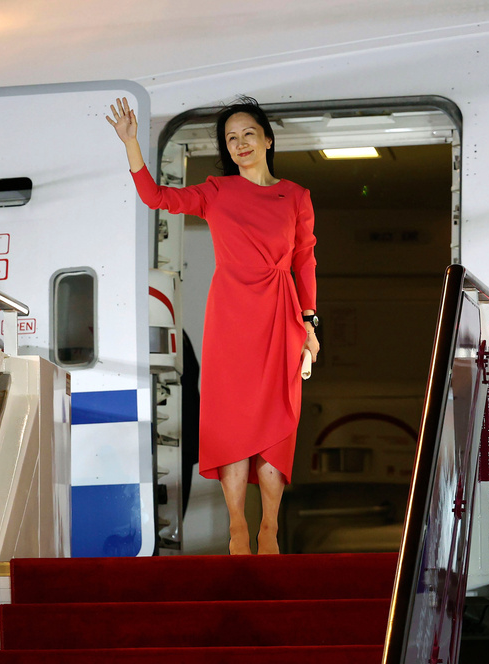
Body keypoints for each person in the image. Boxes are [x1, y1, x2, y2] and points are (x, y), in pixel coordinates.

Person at [107, 96, 319, 555]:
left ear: (267, 138)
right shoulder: (216, 191)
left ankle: (270, 529)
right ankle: (238, 526)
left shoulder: (296, 196)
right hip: (231, 320)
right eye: (231, 138)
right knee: (233, 423)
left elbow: (305, 262)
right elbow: (155, 197)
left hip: (281, 317)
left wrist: (311, 326)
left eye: (248, 134)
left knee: (277, 422)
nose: (240, 144)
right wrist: (131, 145)